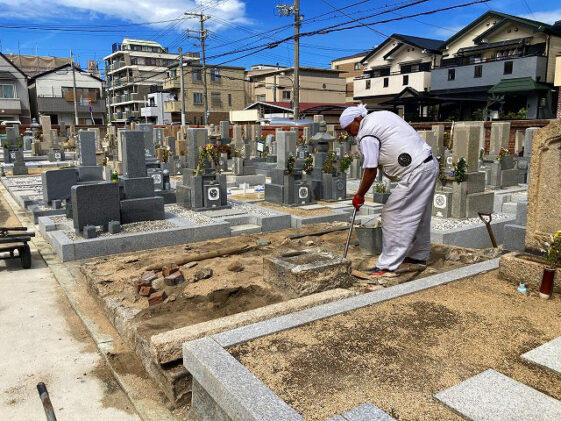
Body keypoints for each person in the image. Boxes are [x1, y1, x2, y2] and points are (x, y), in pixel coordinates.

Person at [340, 105, 439, 277]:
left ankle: (388, 265)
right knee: (420, 214)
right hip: (428, 164)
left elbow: (371, 169)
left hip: (416, 171)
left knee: (392, 213)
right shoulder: (379, 117)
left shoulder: (367, 134)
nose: (349, 134)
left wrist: (359, 195)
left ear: (357, 120)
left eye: (349, 129)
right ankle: (418, 256)